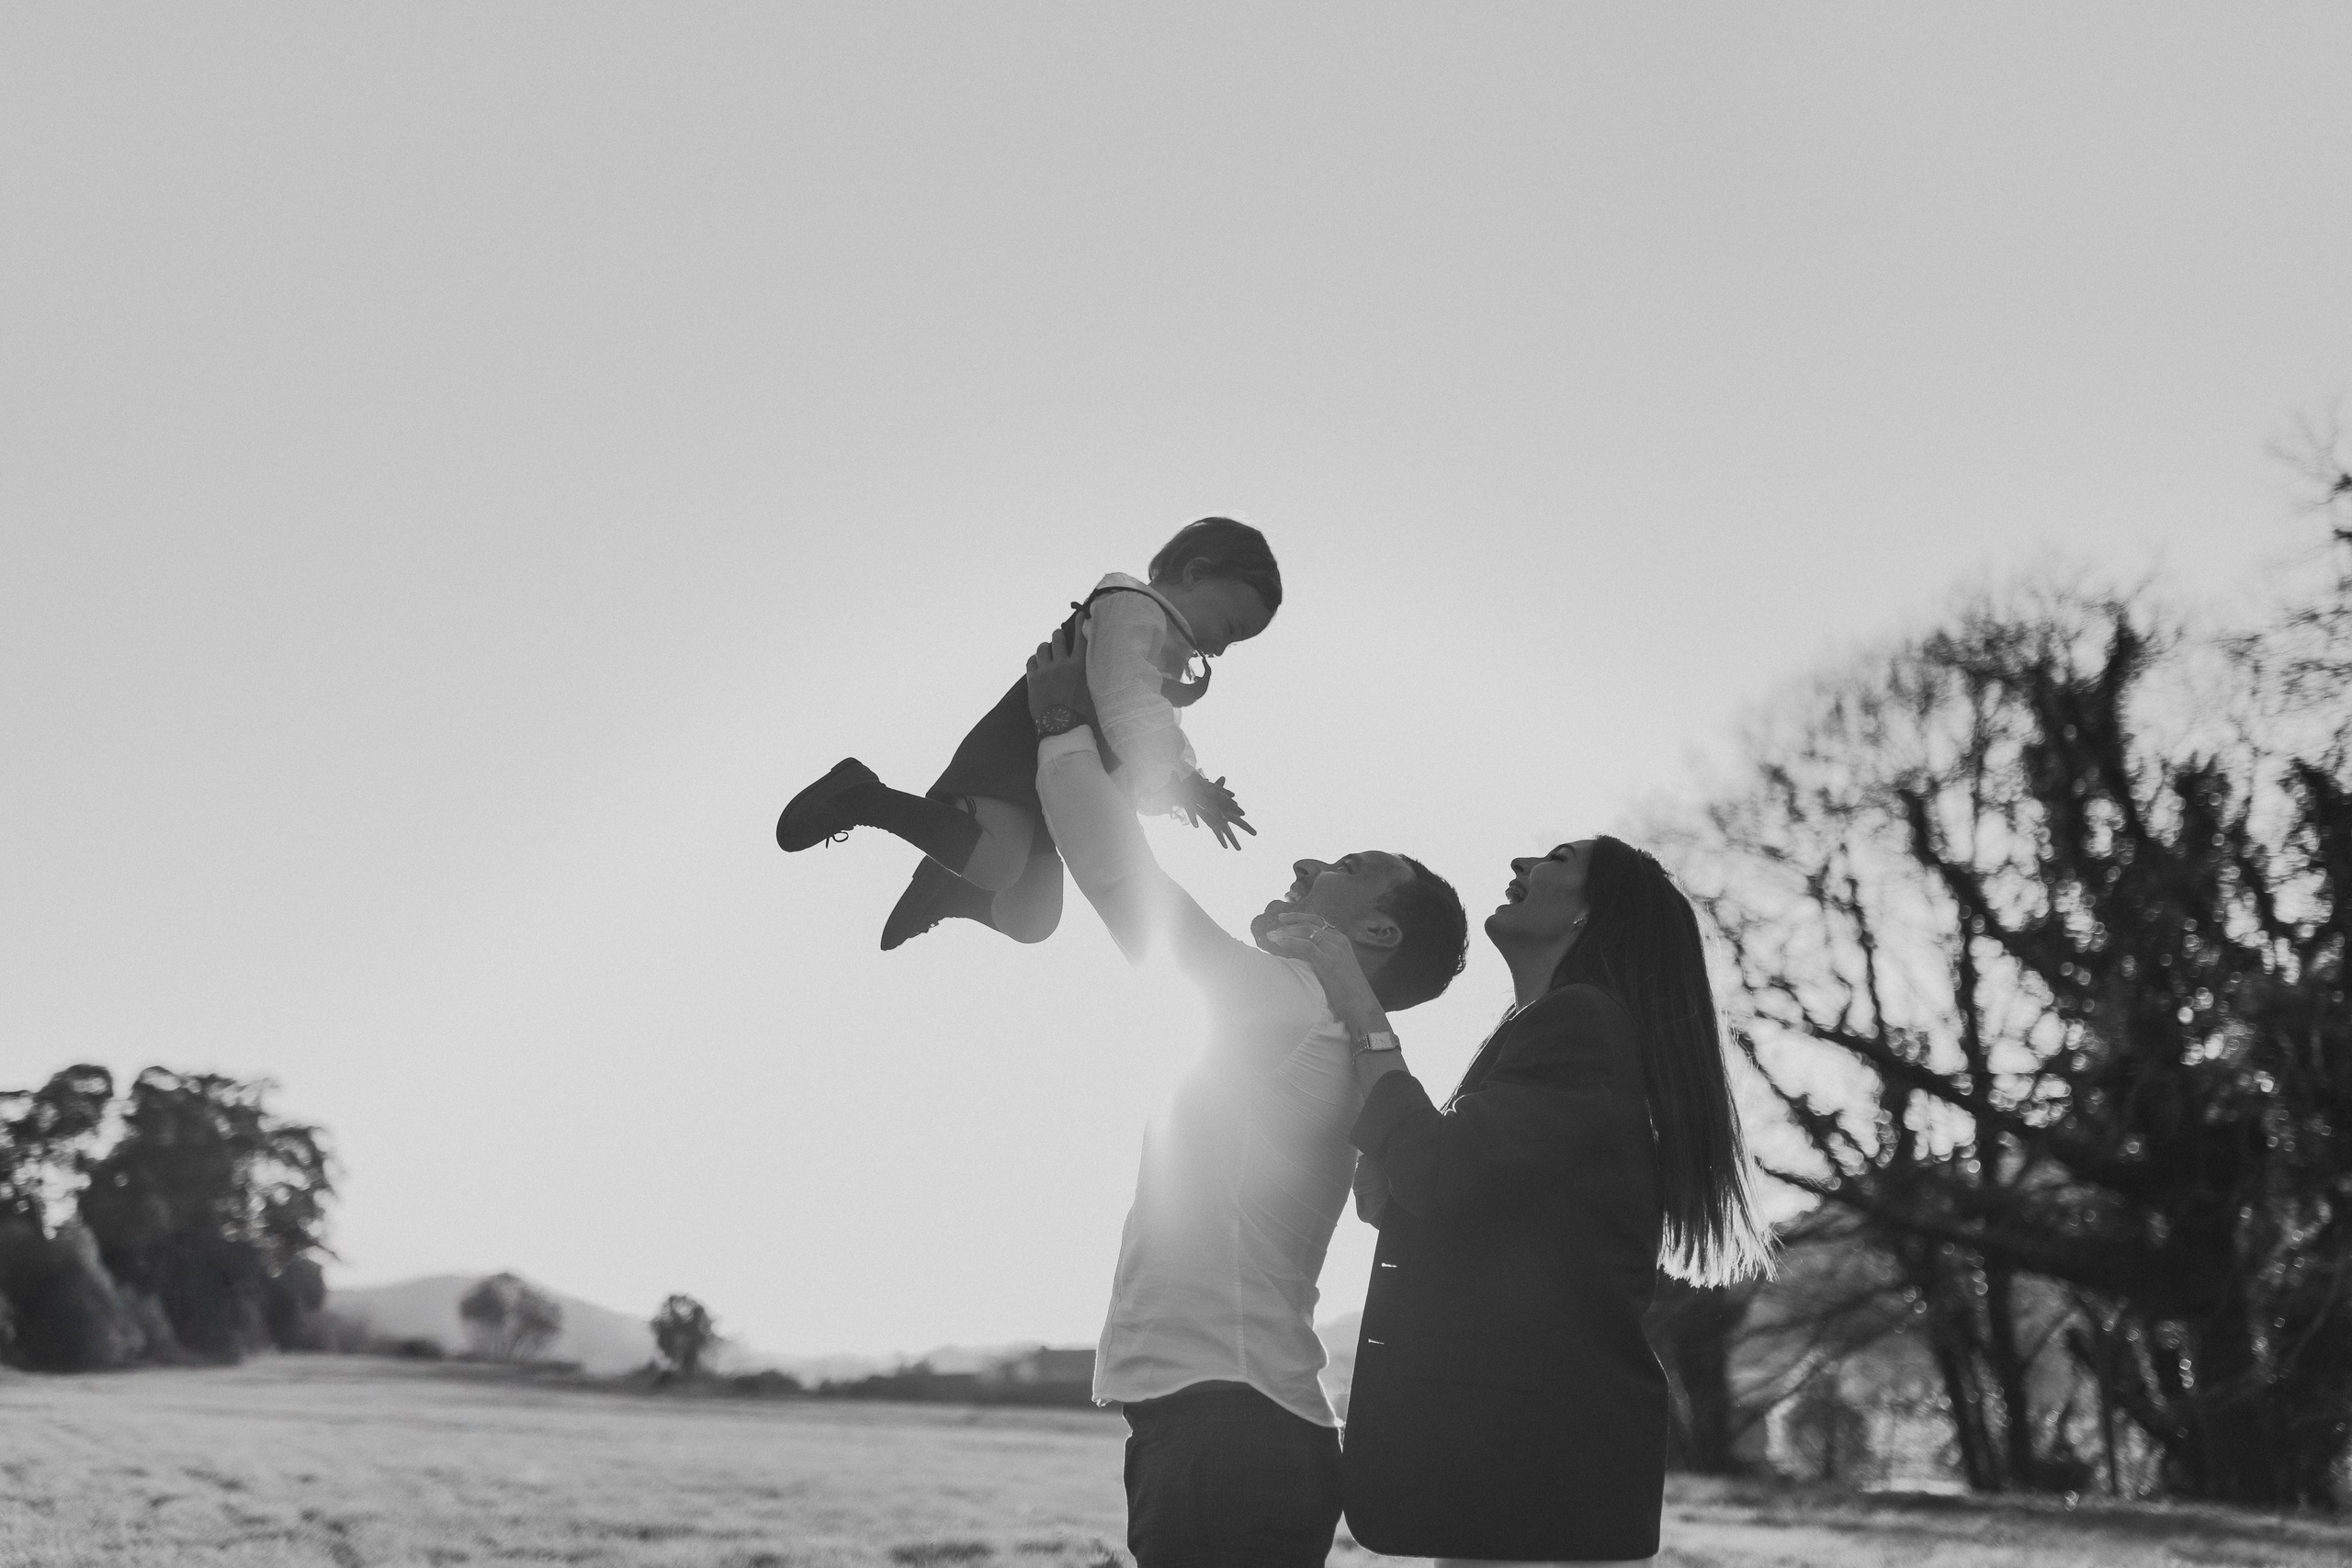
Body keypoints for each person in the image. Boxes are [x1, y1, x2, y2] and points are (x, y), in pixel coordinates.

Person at [1022, 624, 1469, 1568]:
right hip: (1230, 1428)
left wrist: (1062, 728)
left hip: (1229, 1434)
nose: (1305, 865)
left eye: (1343, 870)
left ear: (1378, 932)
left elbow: (1123, 881)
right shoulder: (1320, 1028)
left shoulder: (1299, 1009)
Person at [1268, 837, 1773, 1567]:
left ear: (1590, 914)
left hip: (1536, 1470)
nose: (1519, 864)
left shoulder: (1582, 1023)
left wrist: (1358, 999)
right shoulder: (1557, 1029)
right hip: (1525, 1472)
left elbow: (1440, 1175)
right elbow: (1450, 1200)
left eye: (1557, 859)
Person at [775, 518, 1278, 950]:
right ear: (1196, 573)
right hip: (1016, 754)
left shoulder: (1168, 649)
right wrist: (1179, 777)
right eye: (1232, 627)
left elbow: (1141, 736)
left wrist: (1173, 789)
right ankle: (861, 796)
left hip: (1053, 776)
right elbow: (1125, 702)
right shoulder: (1134, 609)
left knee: (1032, 920)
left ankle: (950, 886)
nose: (1225, 646)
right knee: (996, 866)